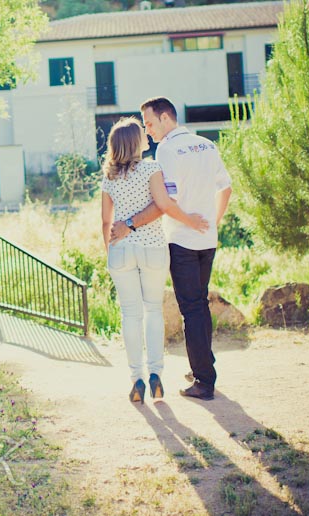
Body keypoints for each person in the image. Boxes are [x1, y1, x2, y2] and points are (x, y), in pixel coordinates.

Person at [110, 97, 232, 401]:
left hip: (182, 241)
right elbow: (225, 187)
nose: (147, 131)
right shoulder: (206, 145)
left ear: (166, 118)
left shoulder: (167, 149)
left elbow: (167, 203)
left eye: (149, 123)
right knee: (199, 305)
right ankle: (202, 367)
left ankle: (204, 381)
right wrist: (211, 222)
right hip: (208, 241)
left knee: (192, 308)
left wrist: (187, 222)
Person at [101, 117, 208, 404]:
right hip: (153, 248)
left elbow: (105, 221)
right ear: (135, 143)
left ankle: (136, 378)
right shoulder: (151, 169)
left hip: (121, 250)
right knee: (153, 311)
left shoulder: (108, 177)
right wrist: (189, 220)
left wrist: (109, 252)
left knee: (130, 315)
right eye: (142, 134)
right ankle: (156, 375)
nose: (147, 137)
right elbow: (163, 204)